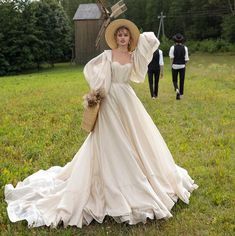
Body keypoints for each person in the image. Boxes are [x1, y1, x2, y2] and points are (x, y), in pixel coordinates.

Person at [4, 19, 198, 228]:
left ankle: (138, 177)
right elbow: (90, 69)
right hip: (110, 100)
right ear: (115, 38)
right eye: (119, 35)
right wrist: (97, 91)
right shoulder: (107, 56)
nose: (122, 38)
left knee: (135, 139)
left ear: (130, 38)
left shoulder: (133, 55)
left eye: (126, 35)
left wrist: (138, 40)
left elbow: (150, 40)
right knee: (109, 139)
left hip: (127, 101)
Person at [169, 33, 189, 100]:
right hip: (182, 66)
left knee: (174, 80)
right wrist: (184, 65)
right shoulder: (185, 48)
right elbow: (186, 59)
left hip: (174, 65)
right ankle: (181, 94)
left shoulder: (172, 48)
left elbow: (171, 58)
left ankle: (177, 89)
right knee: (182, 80)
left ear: (175, 40)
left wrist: (171, 65)